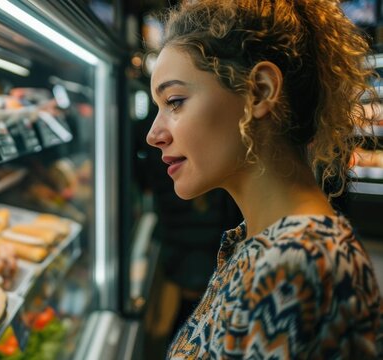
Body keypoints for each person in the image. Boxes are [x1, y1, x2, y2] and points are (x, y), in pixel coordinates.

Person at [145, 0, 382, 359]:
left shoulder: (292, 267)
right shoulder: (267, 244)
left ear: (260, 91)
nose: (154, 134)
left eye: (175, 101)